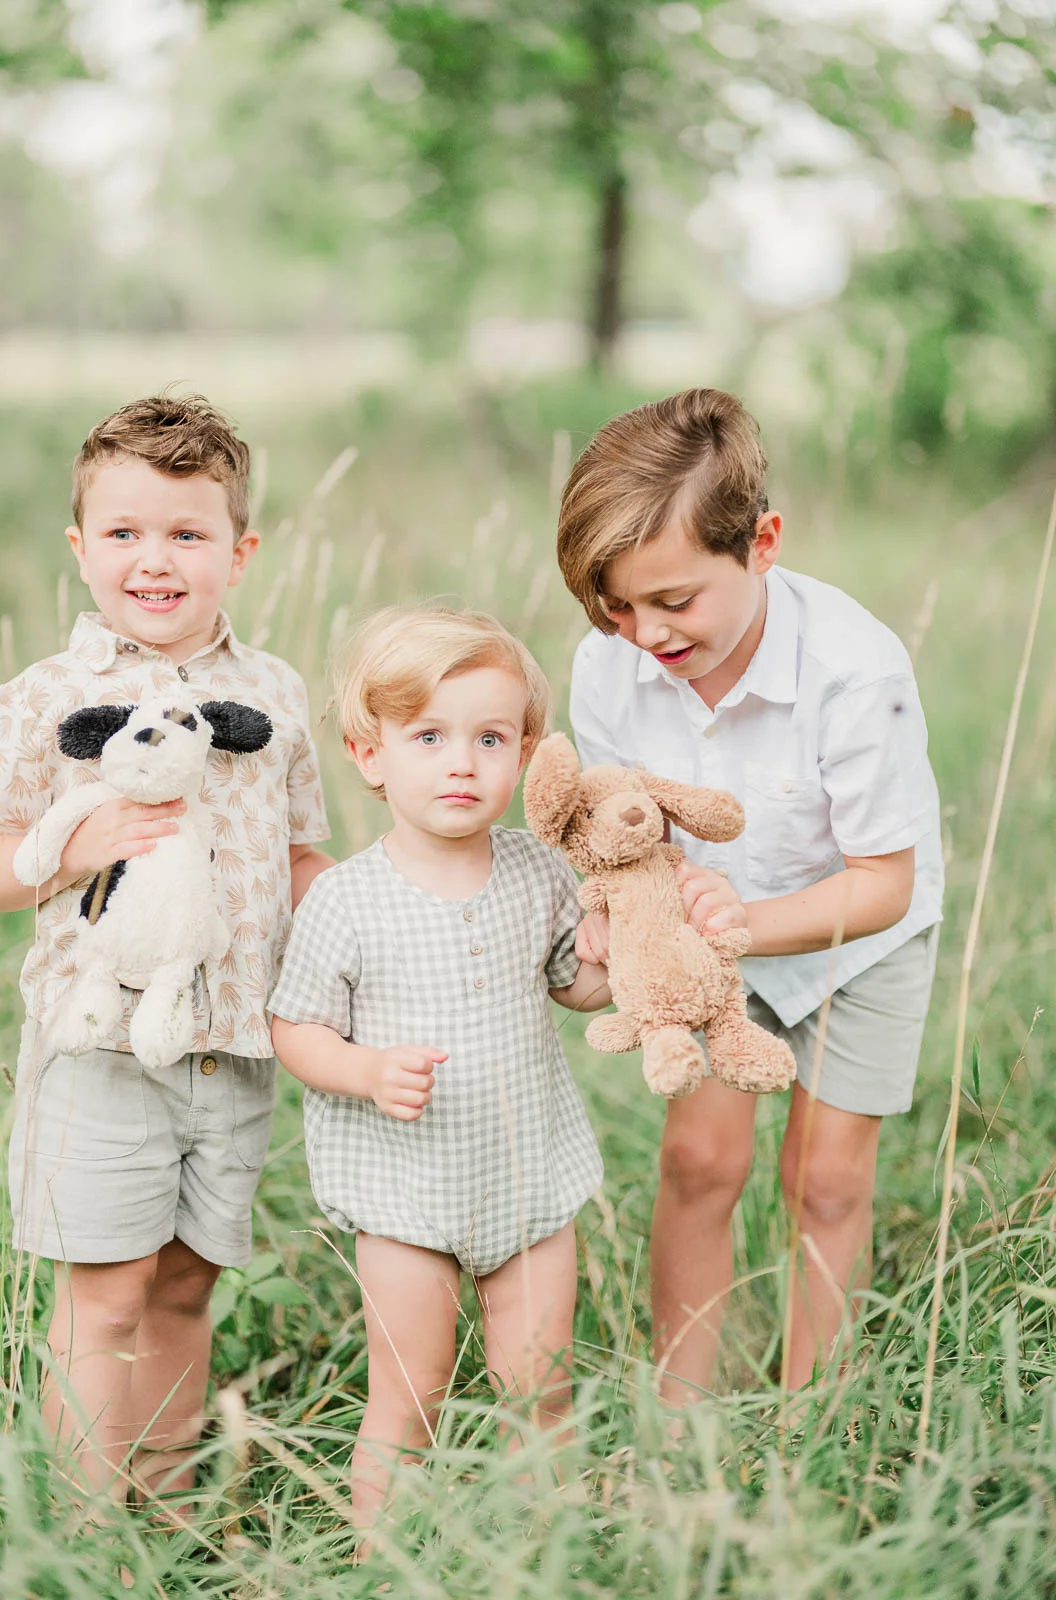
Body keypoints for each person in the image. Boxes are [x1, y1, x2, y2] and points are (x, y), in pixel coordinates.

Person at [0, 393, 332, 1504]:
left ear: (239, 550)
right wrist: (65, 854)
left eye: (186, 533)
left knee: (179, 1289)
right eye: (123, 533)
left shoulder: (274, 696)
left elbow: (303, 858)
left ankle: (158, 1511)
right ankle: (82, 1522)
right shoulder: (43, 700)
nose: (153, 560)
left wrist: (363, 924)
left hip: (232, 1049)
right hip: (100, 1048)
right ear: (80, 549)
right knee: (105, 1292)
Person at [558, 388, 942, 1400]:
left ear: (761, 543)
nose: (643, 631)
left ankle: (815, 1412)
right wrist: (625, 924)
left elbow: (885, 883)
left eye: (673, 600)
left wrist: (750, 924)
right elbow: (626, 835)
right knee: (698, 1160)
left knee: (825, 1177)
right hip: (703, 940)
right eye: (616, 604)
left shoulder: (855, 672)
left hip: (855, 935)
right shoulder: (609, 669)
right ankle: (683, 1405)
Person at [269, 606, 608, 1533]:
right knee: (409, 1390)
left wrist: (609, 954)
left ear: (525, 753)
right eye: (429, 736)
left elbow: (574, 987)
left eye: (489, 738)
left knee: (538, 1380)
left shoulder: (539, 873)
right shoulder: (346, 899)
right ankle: (383, 1555)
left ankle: (549, 1542)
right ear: (370, 754)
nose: (461, 762)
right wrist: (368, 1070)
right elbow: (294, 1028)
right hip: (405, 1193)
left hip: (527, 1179)